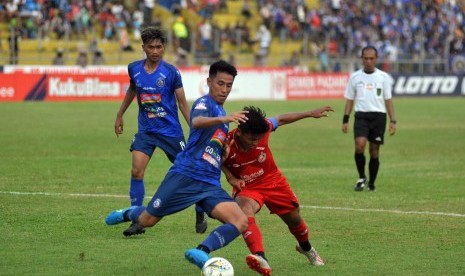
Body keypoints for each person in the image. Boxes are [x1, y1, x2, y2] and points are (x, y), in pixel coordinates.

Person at [106, 60, 249, 270]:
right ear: (209, 82)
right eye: (220, 83)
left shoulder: (223, 117)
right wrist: (224, 118)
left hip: (209, 184)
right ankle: (128, 213)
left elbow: (212, 147)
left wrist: (223, 152)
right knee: (147, 220)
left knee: (240, 221)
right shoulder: (205, 103)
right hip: (185, 176)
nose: (224, 89)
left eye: (229, 85)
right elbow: (196, 121)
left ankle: (202, 251)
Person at [113, 27, 206, 236]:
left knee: (191, 171)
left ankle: (200, 210)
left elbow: (182, 103)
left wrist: (195, 128)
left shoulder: (172, 72)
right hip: (146, 130)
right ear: (143, 48)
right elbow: (132, 90)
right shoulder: (134, 68)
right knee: (136, 171)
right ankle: (137, 219)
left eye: (159, 47)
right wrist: (120, 115)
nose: (155, 51)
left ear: (164, 48)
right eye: (151, 47)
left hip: (171, 132)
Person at [222, 105, 333, 275]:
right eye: (252, 139)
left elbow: (280, 119)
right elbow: (216, 159)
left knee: (295, 220)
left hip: (272, 180)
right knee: (245, 211)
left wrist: (309, 113)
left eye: (258, 139)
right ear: (239, 132)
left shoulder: (264, 128)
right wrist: (230, 177)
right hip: (247, 186)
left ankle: (306, 248)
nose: (255, 143)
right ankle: (260, 257)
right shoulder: (226, 143)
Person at [342, 46, 397, 192]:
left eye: (371, 58)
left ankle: (372, 183)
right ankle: (361, 177)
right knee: (359, 146)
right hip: (361, 116)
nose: (368, 61)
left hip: (379, 116)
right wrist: (345, 120)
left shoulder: (383, 77)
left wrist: (393, 121)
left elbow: (388, 100)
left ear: (376, 59)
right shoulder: (355, 77)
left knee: (374, 151)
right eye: (366, 58)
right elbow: (349, 100)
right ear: (362, 59)